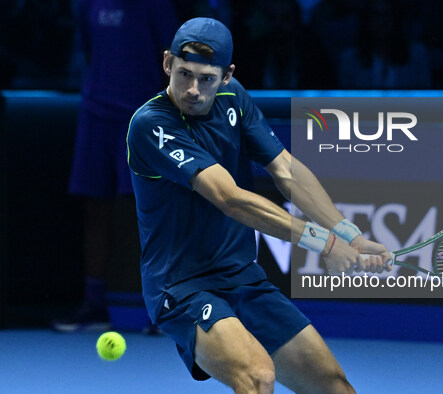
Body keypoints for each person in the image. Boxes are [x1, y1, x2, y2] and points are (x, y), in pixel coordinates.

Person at [126, 17, 391, 392]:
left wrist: (349, 234)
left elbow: (286, 170)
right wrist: (324, 243)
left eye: (207, 79)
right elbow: (229, 198)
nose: (193, 90)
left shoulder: (236, 100)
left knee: (334, 385)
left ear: (228, 75)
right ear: (167, 63)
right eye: (184, 74)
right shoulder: (151, 125)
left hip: (242, 276)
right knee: (256, 376)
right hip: (180, 286)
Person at [52, 0, 178, 332]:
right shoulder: (87, 4)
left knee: (144, 213)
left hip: (140, 118)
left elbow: (170, 60)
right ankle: (94, 304)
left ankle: (160, 307)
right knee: (95, 207)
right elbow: (89, 50)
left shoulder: (156, 6)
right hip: (95, 114)